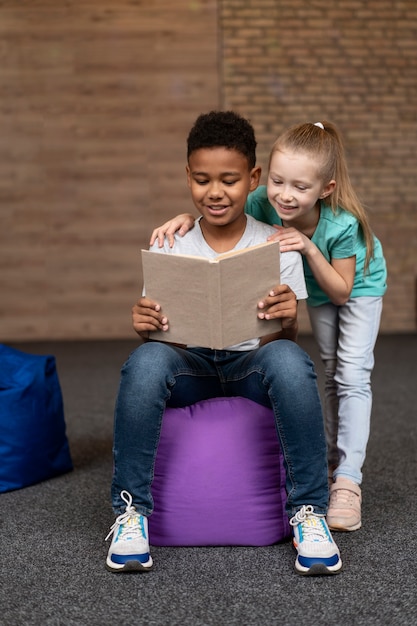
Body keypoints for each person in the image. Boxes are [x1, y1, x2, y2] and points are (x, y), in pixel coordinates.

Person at [105, 111, 342, 576]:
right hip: (189, 366)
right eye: (202, 180)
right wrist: (143, 324)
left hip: (249, 364)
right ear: (187, 177)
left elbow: (280, 342)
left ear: (253, 179)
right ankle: (130, 512)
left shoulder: (278, 244)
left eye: (230, 180)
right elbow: (159, 333)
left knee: (292, 360)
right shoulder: (171, 242)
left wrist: (289, 321)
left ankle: (310, 513)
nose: (215, 192)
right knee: (145, 361)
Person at [150, 120, 387, 533]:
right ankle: (331, 457)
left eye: (299, 187)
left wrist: (308, 246)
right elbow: (220, 205)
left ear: (325, 190)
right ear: (265, 179)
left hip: (350, 283)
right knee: (329, 367)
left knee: (350, 373)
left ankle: (348, 480)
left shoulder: (344, 225)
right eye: (277, 182)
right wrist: (186, 217)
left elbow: (340, 292)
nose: (285, 196)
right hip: (306, 273)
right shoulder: (264, 201)